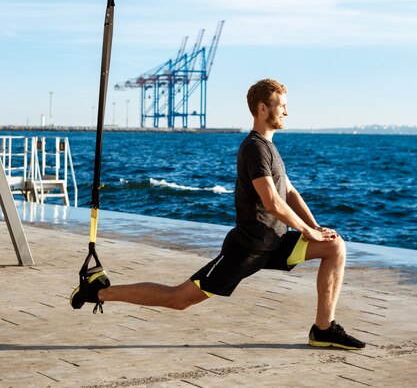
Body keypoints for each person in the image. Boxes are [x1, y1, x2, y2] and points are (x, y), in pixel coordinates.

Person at [70, 78, 365, 350]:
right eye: (282, 106)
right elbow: (272, 201)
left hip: (274, 244)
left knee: (334, 245)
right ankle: (97, 292)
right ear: (263, 109)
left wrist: (315, 227)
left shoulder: (270, 148)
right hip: (247, 249)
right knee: (179, 299)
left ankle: (323, 329)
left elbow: (290, 192)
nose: (287, 112)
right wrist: (307, 232)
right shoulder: (253, 148)